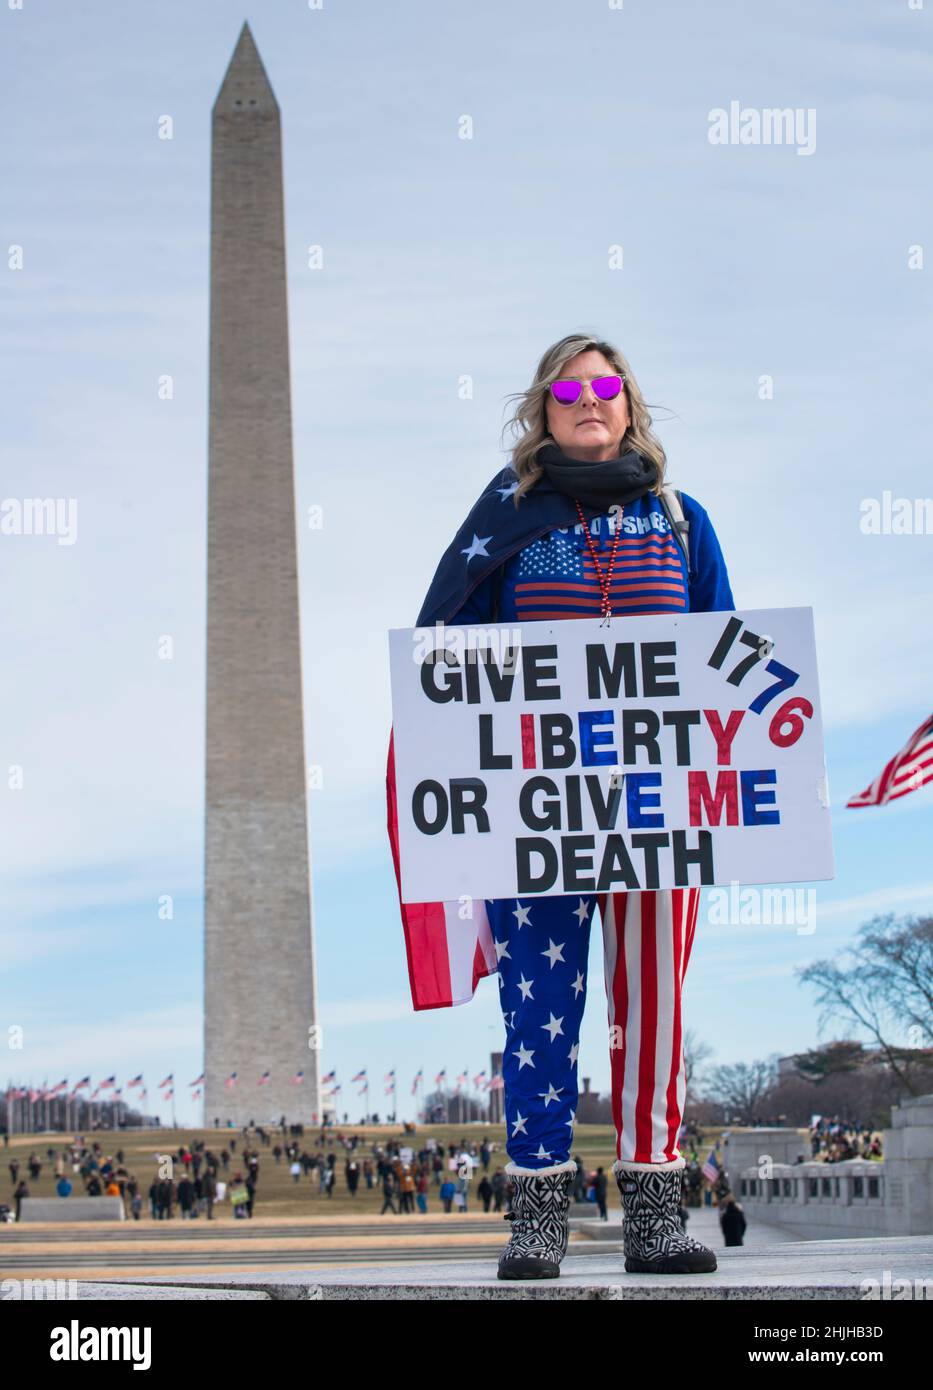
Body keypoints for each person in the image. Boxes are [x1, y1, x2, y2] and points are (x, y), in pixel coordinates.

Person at [391, 333, 734, 1279]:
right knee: (537, 1007)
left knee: (652, 1008)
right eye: (569, 387)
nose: (590, 398)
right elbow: (446, 662)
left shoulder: (681, 518)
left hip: (654, 805)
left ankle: (654, 1218)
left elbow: (723, 657)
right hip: (534, 811)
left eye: (606, 384)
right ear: (542, 410)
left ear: (630, 405)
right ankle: (536, 1216)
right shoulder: (501, 522)